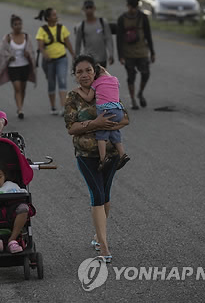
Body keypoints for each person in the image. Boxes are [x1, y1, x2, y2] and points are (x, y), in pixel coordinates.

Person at [64, 55, 130, 262]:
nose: (84, 75)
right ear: (74, 75)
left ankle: (97, 236)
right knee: (97, 195)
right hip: (86, 155)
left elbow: (125, 118)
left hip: (110, 154)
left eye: (88, 70)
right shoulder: (72, 97)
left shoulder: (107, 88)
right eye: (79, 72)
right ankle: (104, 247)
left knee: (106, 196)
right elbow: (71, 128)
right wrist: (96, 123)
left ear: (95, 71)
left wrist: (110, 125)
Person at [72, 62, 130, 171]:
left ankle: (103, 159)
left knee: (101, 134)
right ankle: (122, 154)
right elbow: (106, 74)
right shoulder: (114, 79)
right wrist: (102, 69)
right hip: (118, 110)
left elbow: (89, 98)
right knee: (114, 131)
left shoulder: (96, 83)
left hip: (105, 111)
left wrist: (79, 90)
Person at [116, 0, 155, 110]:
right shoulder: (122, 19)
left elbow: (148, 35)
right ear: (127, 6)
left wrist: (152, 52)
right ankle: (133, 100)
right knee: (131, 76)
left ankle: (140, 92)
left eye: (135, 7)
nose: (133, 9)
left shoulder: (143, 17)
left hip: (142, 52)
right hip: (128, 53)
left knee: (146, 73)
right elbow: (119, 39)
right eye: (131, 7)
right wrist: (120, 56)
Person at [0, 14, 36, 120]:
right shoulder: (8, 38)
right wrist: (9, 57)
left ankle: (20, 105)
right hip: (13, 67)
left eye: (20, 24)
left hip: (25, 66)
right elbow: (3, 52)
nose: (18, 26)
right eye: (16, 24)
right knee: (17, 87)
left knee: (23, 88)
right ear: (12, 26)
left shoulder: (26, 37)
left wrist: (28, 54)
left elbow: (32, 50)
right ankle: (20, 108)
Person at [35, 8, 75, 116]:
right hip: (49, 61)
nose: (56, 17)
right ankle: (53, 106)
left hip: (61, 58)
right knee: (51, 82)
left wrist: (74, 55)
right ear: (48, 18)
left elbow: (68, 43)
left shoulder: (62, 28)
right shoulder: (42, 30)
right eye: (53, 15)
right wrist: (44, 53)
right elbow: (40, 46)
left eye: (56, 15)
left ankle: (63, 107)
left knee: (62, 80)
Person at [75, 0, 114, 68]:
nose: (89, 10)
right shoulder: (81, 26)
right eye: (87, 8)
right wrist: (76, 60)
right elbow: (78, 44)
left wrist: (111, 53)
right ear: (83, 9)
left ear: (94, 8)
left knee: (102, 78)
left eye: (90, 7)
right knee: (92, 78)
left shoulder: (102, 22)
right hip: (89, 59)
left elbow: (108, 38)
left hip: (102, 58)